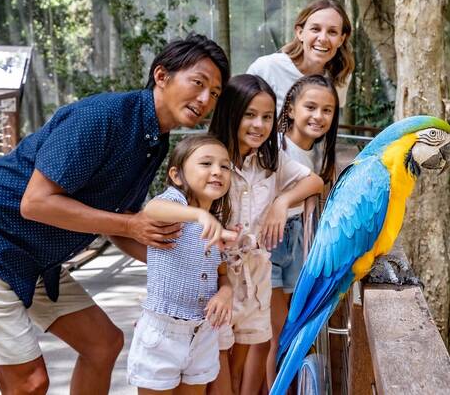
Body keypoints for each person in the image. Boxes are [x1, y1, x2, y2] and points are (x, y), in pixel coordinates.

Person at [0, 33, 229, 394]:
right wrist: (131, 223)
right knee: (30, 384)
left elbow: (123, 222)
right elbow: (35, 202)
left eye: (215, 93)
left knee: (102, 344)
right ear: (161, 75)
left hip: (35, 257)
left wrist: (191, 267)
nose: (205, 99)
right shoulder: (104, 116)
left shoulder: (156, 141)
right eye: (198, 83)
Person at [207, 74, 324, 395]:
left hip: (255, 279)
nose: (259, 125)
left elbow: (315, 182)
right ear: (231, 113)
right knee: (215, 369)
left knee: (240, 364)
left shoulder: (270, 160)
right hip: (215, 280)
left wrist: (282, 201)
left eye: (267, 117)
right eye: (250, 115)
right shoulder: (211, 159)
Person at [127, 134, 236, 394]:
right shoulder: (176, 205)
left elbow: (221, 273)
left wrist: (226, 292)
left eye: (225, 166)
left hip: (202, 333)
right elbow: (152, 209)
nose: (217, 171)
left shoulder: (215, 222)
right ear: (177, 176)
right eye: (206, 163)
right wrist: (198, 215)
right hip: (162, 333)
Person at [266, 74, 340, 390]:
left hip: (298, 243)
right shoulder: (276, 146)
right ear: (291, 110)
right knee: (274, 329)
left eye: (327, 110)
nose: (318, 116)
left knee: (289, 329)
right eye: (310, 107)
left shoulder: (319, 154)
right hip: (269, 241)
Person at [246, 0, 354, 116]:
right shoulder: (266, 68)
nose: (323, 38)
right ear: (300, 33)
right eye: (315, 29)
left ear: (341, 39)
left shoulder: (340, 76)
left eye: (332, 32)